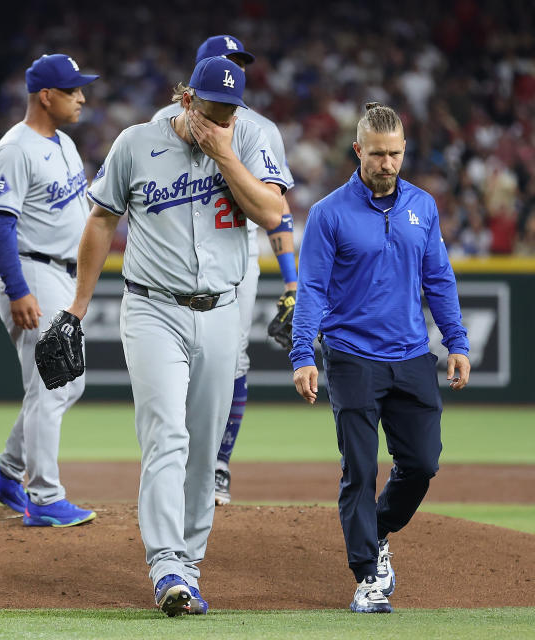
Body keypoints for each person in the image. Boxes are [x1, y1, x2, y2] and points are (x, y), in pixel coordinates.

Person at [64, 56, 285, 615]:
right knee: (168, 435)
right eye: (214, 109)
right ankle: (166, 565)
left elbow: (273, 210)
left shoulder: (247, 140)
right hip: (152, 310)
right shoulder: (137, 143)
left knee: (205, 449)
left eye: (232, 109)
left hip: (222, 311)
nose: (224, 118)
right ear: (188, 99)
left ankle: (188, 563)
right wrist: (76, 310)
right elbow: (100, 220)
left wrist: (227, 156)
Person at [291, 103, 471, 613]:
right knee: (359, 469)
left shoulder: (423, 206)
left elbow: (438, 278)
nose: (386, 164)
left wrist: (456, 342)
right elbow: (312, 290)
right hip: (350, 357)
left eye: (394, 154)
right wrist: (303, 353)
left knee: (422, 463)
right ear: (357, 151)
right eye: (376, 155)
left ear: (404, 151)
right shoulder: (329, 213)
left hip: (413, 355)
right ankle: (367, 577)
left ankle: (380, 527)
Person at [152, 35, 297, 505]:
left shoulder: (258, 130)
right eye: (223, 63)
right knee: (174, 371)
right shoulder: (161, 125)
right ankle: (178, 463)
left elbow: (279, 211)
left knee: (230, 362)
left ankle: (217, 465)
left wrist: (292, 278)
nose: (232, 70)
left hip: (234, 264)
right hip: (172, 266)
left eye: (238, 63)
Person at [0, 54, 98, 527]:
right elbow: (1, 226)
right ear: (47, 96)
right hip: (32, 271)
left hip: (62, 275)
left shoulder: (65, 143)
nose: (82, 97)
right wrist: (17, 287)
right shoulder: (14, 148)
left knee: (71, 382)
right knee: (53, 382)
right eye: (73, 90)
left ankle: (6, 473)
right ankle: (44, 498)